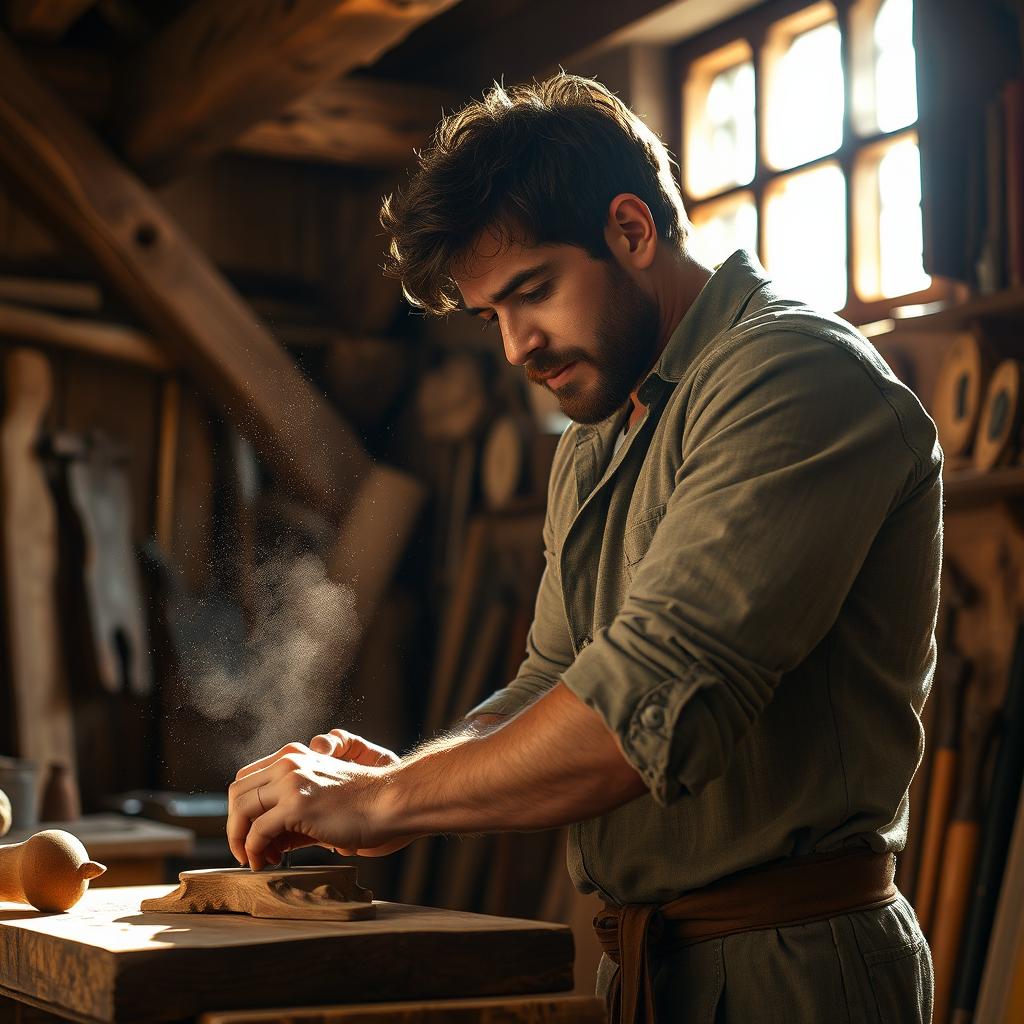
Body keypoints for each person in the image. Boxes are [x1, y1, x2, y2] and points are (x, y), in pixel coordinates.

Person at [226, 73, 941, 1023]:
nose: (517, 346)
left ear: (632, 230)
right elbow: (555, 680)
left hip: (797, 970)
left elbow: (645, 707)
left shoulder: (795, 378)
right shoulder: (602, 434)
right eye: (492, 317)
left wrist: (392, 803)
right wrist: (401, 777)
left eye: (533, 293)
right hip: (650, 962)